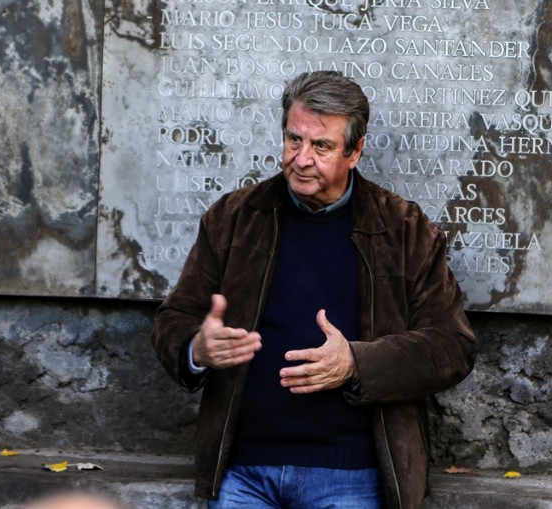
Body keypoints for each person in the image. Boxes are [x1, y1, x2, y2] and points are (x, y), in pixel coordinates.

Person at [153, 71, 477, 509]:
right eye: (293, 140)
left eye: (321, 146)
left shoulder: (404, 230)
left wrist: (356, 364)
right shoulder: (233, 218)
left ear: (355, 151)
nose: (301, 159)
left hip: (353, 475)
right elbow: (173, 321)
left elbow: (451, 347)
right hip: (243, 472)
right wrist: (197, 349)